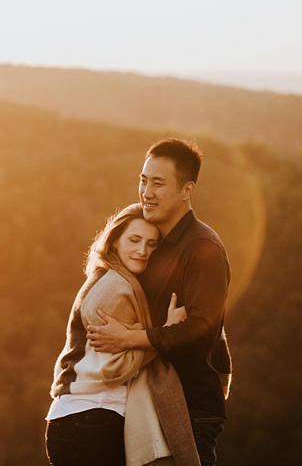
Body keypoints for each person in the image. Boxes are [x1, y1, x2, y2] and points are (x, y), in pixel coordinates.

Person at [86, 141, 231, 466]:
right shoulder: (152, 245)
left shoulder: (202, 248)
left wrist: (129, 338)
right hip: (146, 405)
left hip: (189, 408)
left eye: (158, 183)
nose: (146, 192)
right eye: (143, 180)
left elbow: (202, 329)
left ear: (186, 190)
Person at [46, 203, 199, 466]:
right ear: (115, 241)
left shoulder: (109, 277)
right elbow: (116, 368)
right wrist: (167, 334)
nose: (143, 251)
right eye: (134, 240)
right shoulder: (115, 290)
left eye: (152, 244)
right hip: (90, 417)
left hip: (83, 418)